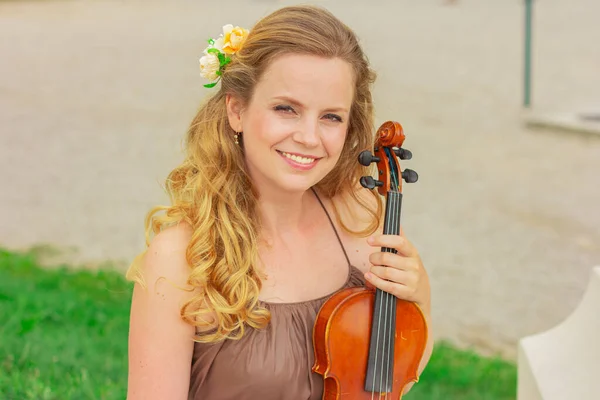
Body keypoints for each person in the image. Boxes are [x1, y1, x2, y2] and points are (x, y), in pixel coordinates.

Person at [125, 5, 433, 400]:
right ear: (236, 109)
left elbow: (399, 374)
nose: (308, 137)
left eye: (331, 117)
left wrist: (419, 294)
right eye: (286, 109)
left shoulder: (362, 218)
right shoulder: (182, 257)